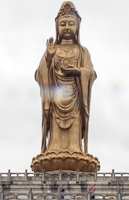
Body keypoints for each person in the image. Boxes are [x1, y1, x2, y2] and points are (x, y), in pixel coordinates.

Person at [35, 2, 96, 155]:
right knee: (55, 129)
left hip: (75, 98)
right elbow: (39, 74)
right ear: (57, 27)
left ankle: (75, 149)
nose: (67, 27)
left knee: (74, 128)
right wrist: (48, 58)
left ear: (77, 27)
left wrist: (78, 71)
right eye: (63, 24)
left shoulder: (82, 51)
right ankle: (52, 149)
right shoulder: (52, 50)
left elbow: (91, 73)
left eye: (71, 24)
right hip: (56, 98)